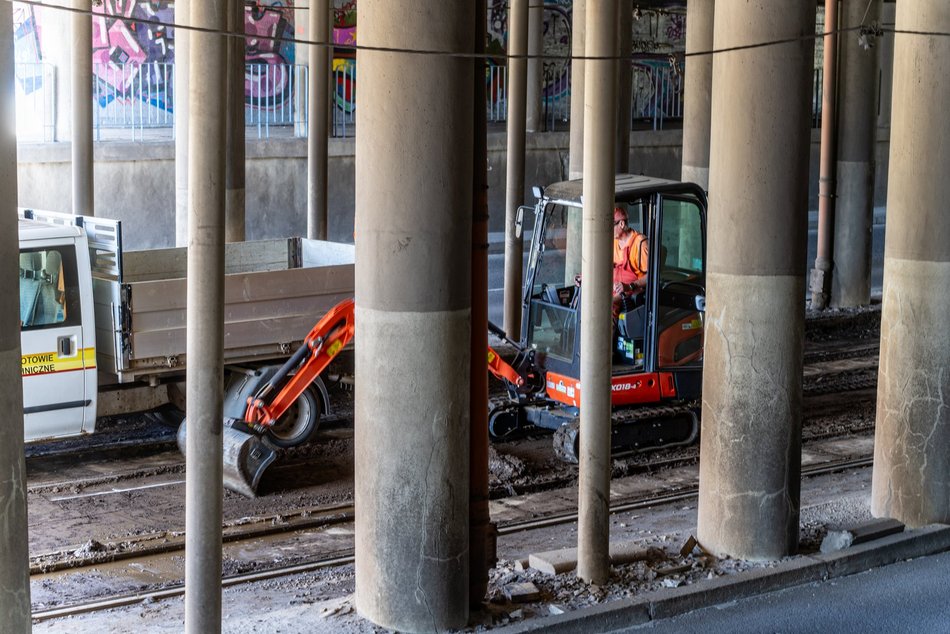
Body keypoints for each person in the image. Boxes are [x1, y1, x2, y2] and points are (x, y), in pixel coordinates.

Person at [612, 206, 648, 319]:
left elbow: (651, 277)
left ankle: (607, 335)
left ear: (621, 224)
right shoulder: (613, 242)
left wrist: (629, 286)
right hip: (615, 287)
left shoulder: (640, 243)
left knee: (605, 305)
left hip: (632, 291)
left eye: (611, 225)